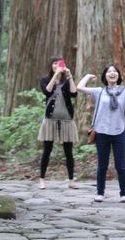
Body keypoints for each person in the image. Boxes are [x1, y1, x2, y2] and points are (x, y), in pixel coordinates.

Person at [77, 63, 125, 203]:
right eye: (109, 71)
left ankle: (123, 194)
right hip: (102, 133)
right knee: (102, 165)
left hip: (119, 132)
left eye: (115, 71)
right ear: (105, 76)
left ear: (119, 76)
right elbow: (79, 88)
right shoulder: (99, 91)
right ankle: (100, 193)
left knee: (120, 165)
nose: (112, 73)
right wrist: (86, 76)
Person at [37, 55, 79, 190]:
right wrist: (55, 77)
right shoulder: (45, 80)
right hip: (50, 120)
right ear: (51, 66)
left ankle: (71, 180)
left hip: (66, 120)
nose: (57, 65)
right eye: (54, 63)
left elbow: (74, 93)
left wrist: (70, 76)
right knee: (47, 150)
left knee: (68, 152)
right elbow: (47, 91)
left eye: (59, 63)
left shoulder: (66, 81)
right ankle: (42, 179)